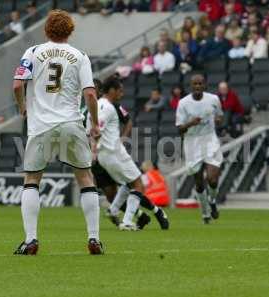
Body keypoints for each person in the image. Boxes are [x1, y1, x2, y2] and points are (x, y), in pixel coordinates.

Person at [12, 10, 103, 255]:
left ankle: (31, 240)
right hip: (71, 123)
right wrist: (94, 123)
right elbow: (91, 94)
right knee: (85, 178)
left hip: (41, 125)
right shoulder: (80, 56)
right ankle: (94, 239)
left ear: (46, 30)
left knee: (32, 180)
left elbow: (18, 84)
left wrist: (23, 107)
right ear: (70, 30)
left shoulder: (32, 52)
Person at [87, 76, 169, 230]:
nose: (122, 94)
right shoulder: (108, 107)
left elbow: (90, 128)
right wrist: (95, 145)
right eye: (119, 91)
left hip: (105, 155)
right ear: (111, 90)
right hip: (112, 152)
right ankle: (127, 221)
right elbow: (96, 129)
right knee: (139, 184)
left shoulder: (94, 107)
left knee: (128, 183)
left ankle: (113, 210)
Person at [176, 74, 223, 224]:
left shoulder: (213, 99)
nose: (197, 86)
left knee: (212, 178)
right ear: (191, 86)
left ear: (205, 85)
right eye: (195, 84)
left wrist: (218, 120)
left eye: (200, 83)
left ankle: (213, 201)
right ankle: (205, 212)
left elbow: (220, 116)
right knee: (198, 182)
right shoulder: (183, 103)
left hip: (210, 139)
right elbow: (179, 129)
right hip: (192, 143)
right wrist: (191, 123)